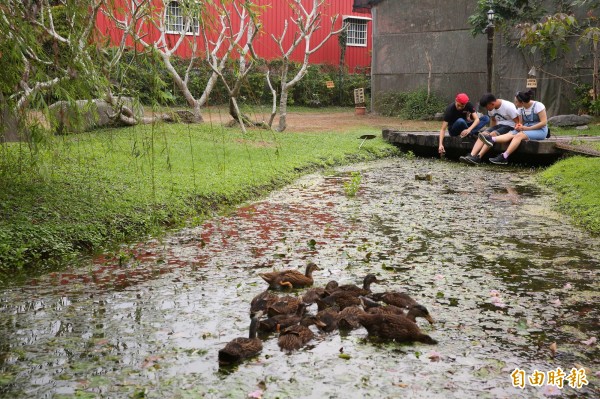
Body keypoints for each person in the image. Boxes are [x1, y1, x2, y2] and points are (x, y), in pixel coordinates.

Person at [478, 89, 548, 165]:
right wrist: (519, 126)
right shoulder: (521, 109)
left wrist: (527, 128)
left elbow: (544, 122)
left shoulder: (538, 106)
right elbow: (520, 122)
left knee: (519, 135)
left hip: (540, 130)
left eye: (516, 102)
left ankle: (504, 156)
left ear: (522, 102)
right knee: (510, 134)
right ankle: (491, 139)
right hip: (526, 128)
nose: (515, 104)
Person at [459, 93, 519, 165]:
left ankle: (479, 157)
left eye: (487, 107)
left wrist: (513, 134)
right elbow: (493, 120)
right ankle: (472, 155)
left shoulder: (508, 107)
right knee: (483, 134)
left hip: (510, 126)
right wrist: (490, 130)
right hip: (499, 125)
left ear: (492, 103)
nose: (487, 109)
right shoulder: (491, 108)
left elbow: (518, 122)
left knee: (492, 134)